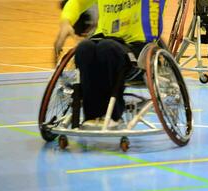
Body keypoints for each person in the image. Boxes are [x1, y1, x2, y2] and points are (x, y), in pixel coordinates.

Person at [54, 0, 165, 129]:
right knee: (84, 48)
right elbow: (77, 2)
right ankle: (91, 116)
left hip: (136, 47)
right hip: (103, 40)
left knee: (108, 48)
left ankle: (113, 116)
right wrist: (66, 22)